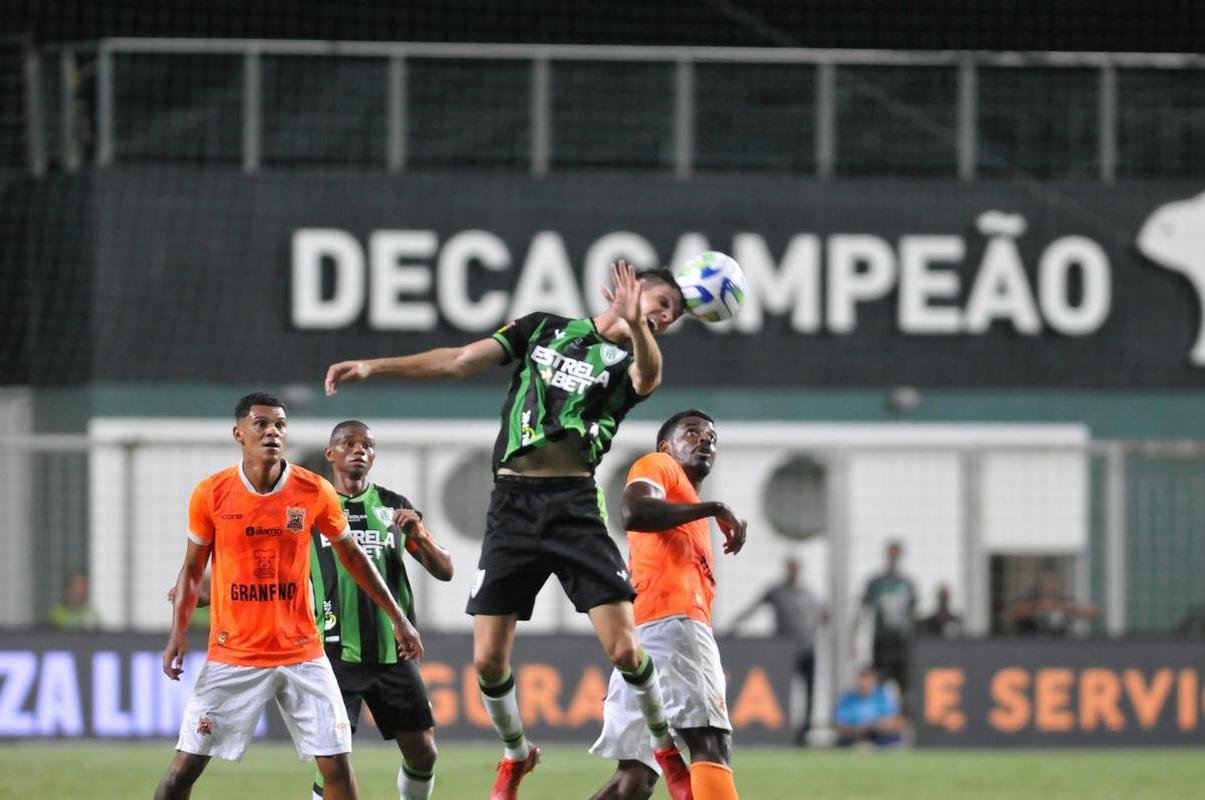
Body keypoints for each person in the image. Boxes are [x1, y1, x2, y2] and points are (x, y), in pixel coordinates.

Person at [325, 260, 687, 800]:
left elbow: (648, 378)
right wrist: (375, 367)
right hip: (513, 505)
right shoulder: (543, 328)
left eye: (672, 315)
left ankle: (664, 747)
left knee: (625, 649)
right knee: (488, 661)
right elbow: (459, 360)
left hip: (574, 505)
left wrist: (638, 326)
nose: (663, 317)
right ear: (626, 290)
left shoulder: (632, 356)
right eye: (659, 304)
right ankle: (516, 754)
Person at [154, 392, 423, 800]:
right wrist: (178, 634)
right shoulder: (212, 493)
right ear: (238, 433)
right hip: (234, 655)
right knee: (185, 767)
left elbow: (354, 558)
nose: (272, 432)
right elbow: (193, 570)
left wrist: (398, 618)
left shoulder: (313, 490)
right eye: (261, 424)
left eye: (280, 424)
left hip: (302, 653)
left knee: (337, 765)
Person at [589, 410, 747, 800]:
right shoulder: (659, 465)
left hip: (643, 634)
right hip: (675, 627)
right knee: (710, 742)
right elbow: (634, 511)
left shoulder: (685, 500)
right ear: (666, 446)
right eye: (691, 433)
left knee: (633, 780)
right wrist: (714, 508)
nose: (705, 439)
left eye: (711, 435)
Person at [310, 419, 454, 800]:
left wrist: (419, 536)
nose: (360, 450)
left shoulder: (393, 507)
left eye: (368, 445)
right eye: (349, 443)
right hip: (335, 652)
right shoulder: (311, 509)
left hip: (394, 651)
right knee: (333, 763)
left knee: (423, 752)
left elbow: (445, 571)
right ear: (331, 453)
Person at [728, 557, 826, 746]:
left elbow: (821, 615)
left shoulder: (808, 593)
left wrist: (815, 632)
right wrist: (736, 624)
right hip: (786, 651)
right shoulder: (777, 591)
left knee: (809, 691)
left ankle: (806, 730)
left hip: (807, 648)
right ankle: (785, 729)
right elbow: (754, 607)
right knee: (784, 690)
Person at [854, 540, 917, 699]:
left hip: (901, 641)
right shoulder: (876, 582)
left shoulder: (907, 583)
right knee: (879, 680)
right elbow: (862, 610)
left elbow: (913, 613)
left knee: (905, 683)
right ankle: (879, 716)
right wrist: (855, 639)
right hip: (881, 639)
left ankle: (903, 718)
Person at [1004, 569, 1097, 637]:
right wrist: (1036, 607)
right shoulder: (1031, 600)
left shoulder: (1065, 601)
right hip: (1033, 644)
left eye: (1053, 585)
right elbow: (1009, 613)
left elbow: (1093, 612)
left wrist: (1063, 608)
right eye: (1047, 585)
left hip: (1063, 645)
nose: (1050, 588)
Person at [833, 665, 904, 748]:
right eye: (862, 678)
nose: (864, 683)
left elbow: (897, 722)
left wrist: (875, 726)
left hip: (879, 737)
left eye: (867, 678)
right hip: (854, 738)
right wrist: (858, 729)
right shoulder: (847, 699)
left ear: (874, 680)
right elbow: (840, 724)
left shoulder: (883, 697)